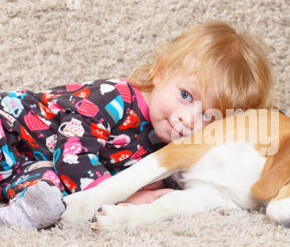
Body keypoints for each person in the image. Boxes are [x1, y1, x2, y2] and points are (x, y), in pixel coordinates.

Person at [0, 20, 273, 229]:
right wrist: (120, 200)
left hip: (30, 164)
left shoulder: (173, 149)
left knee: (51, 197)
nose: (188, 119)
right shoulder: (112, 99)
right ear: (160, 73)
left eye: (208, 116)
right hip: (11, 127)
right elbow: (73, 156)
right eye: (185, 95)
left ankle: (14, 216)